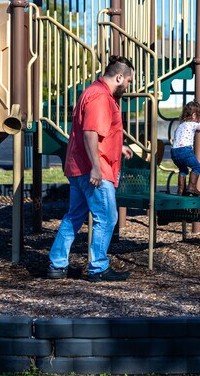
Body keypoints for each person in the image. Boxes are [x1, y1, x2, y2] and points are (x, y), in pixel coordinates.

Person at [47, 56, 134, 282]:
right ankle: (98, 267)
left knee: (74, 215)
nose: (128, 86)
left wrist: (118, 146)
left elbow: (97, 131)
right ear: (119, 77)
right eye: (129, 81)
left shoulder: (92, 92)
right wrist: (96, 167)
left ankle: (57, 264)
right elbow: (90, 133)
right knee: (106, 217)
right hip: (94, 170)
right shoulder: (100, 96)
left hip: (79, 167)